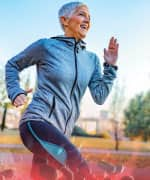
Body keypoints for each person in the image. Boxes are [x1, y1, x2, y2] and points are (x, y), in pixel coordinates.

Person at [5, 1, 123, 180]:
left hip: (61, 135)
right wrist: (16, 91)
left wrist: (111, 67)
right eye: (82, 14)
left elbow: (99, 96)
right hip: (37, 122)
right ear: (65, 20)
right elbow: (12, 64)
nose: (87, 21)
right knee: (79, 167)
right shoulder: (46, 46)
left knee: (45, 176)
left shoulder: (91, 60)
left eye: (90, 18)